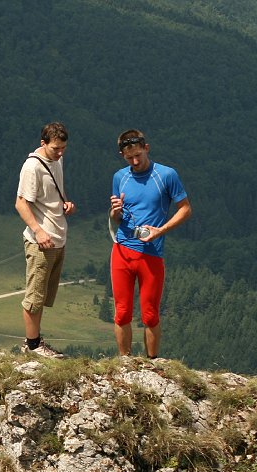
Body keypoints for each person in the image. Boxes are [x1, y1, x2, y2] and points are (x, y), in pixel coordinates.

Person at [108, 129, 192, 359]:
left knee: (150, 314)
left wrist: (161, 230)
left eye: (138, 155)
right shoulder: (120, 177)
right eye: (129, 158)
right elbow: (118, 217)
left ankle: (152, 364)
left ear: (146, 148)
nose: (135, 161)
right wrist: (116, 212)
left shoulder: (166, 175)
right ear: (122, 155)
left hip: (152, 253)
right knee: (122, 312)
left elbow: (185, 209)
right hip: (123, 251)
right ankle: (124, 363)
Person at [15, 121, 77, 357]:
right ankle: (32, 345)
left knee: (43, 295)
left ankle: (34, 339)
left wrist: (65, 204)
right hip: (42, 241)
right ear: (43, 143)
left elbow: (49, 196)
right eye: (55, 149)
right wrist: (39, 231)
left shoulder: (56, 160)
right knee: (34, 295)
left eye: (63, 148)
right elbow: (21, 203)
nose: (60, 153)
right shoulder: (32, 167)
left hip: (58, 237)